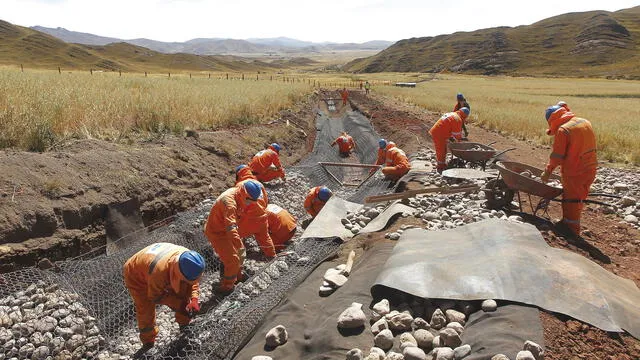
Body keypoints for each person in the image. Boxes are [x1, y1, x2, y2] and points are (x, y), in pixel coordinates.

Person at [123, 243, 205, 348]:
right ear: (179, 273)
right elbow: (155, 296)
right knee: (145, 307)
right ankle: (148, 341)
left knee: (183, 289)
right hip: (135, 273)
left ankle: (184, 323)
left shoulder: (189, 259)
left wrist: (194, 299)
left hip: (154, 261)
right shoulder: (159, 273)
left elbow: (192, 282)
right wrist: (179, 305)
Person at [203, 180, 275, 295]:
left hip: (227, 229)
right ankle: (227, 288)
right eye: (249, 200)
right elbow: (230, 227)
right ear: (244, 195)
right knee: (233, 260)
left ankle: (239, 276)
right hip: (217, 232)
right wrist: (240, 247)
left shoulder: (244, 196)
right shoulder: (229, 202)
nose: (251, 203)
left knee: (239, 254)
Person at [540, 105, 597, 237]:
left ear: (551, 120)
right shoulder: (584, 121)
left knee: (571, 200)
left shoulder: (563, 130)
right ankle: (568, 223)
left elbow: (557, 157)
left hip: (575, 171)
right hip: (591, 167)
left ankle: (571, 232)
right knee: (579, 197)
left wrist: (547, 171)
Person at [429, 107, 470, 173]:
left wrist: (451, 137)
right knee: (441, 149)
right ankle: (441, 167)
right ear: (465, 116)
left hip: (438, 130)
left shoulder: (453, 114)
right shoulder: (458, 119)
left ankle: (442, 164)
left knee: (442, 148)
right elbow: (457, 136)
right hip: (439, 133)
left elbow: (449, 127)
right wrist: (460, 145)